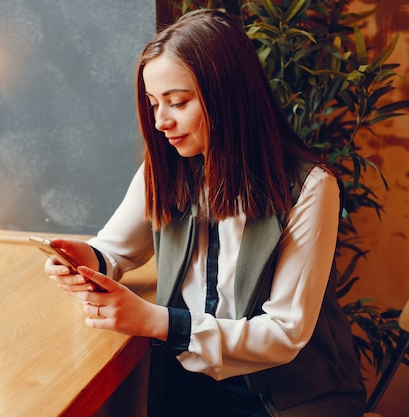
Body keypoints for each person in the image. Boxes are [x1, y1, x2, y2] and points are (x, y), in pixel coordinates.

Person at [44, 9, 366, 417]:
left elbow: (284, 335)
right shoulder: (166, 167)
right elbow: (116, 248)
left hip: (286, 391)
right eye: (153, 103)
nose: (161, 121)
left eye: (177, 102)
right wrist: (84, 260)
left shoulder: (310, 186)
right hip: (188, 376)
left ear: (228, 97)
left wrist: (159, 322)